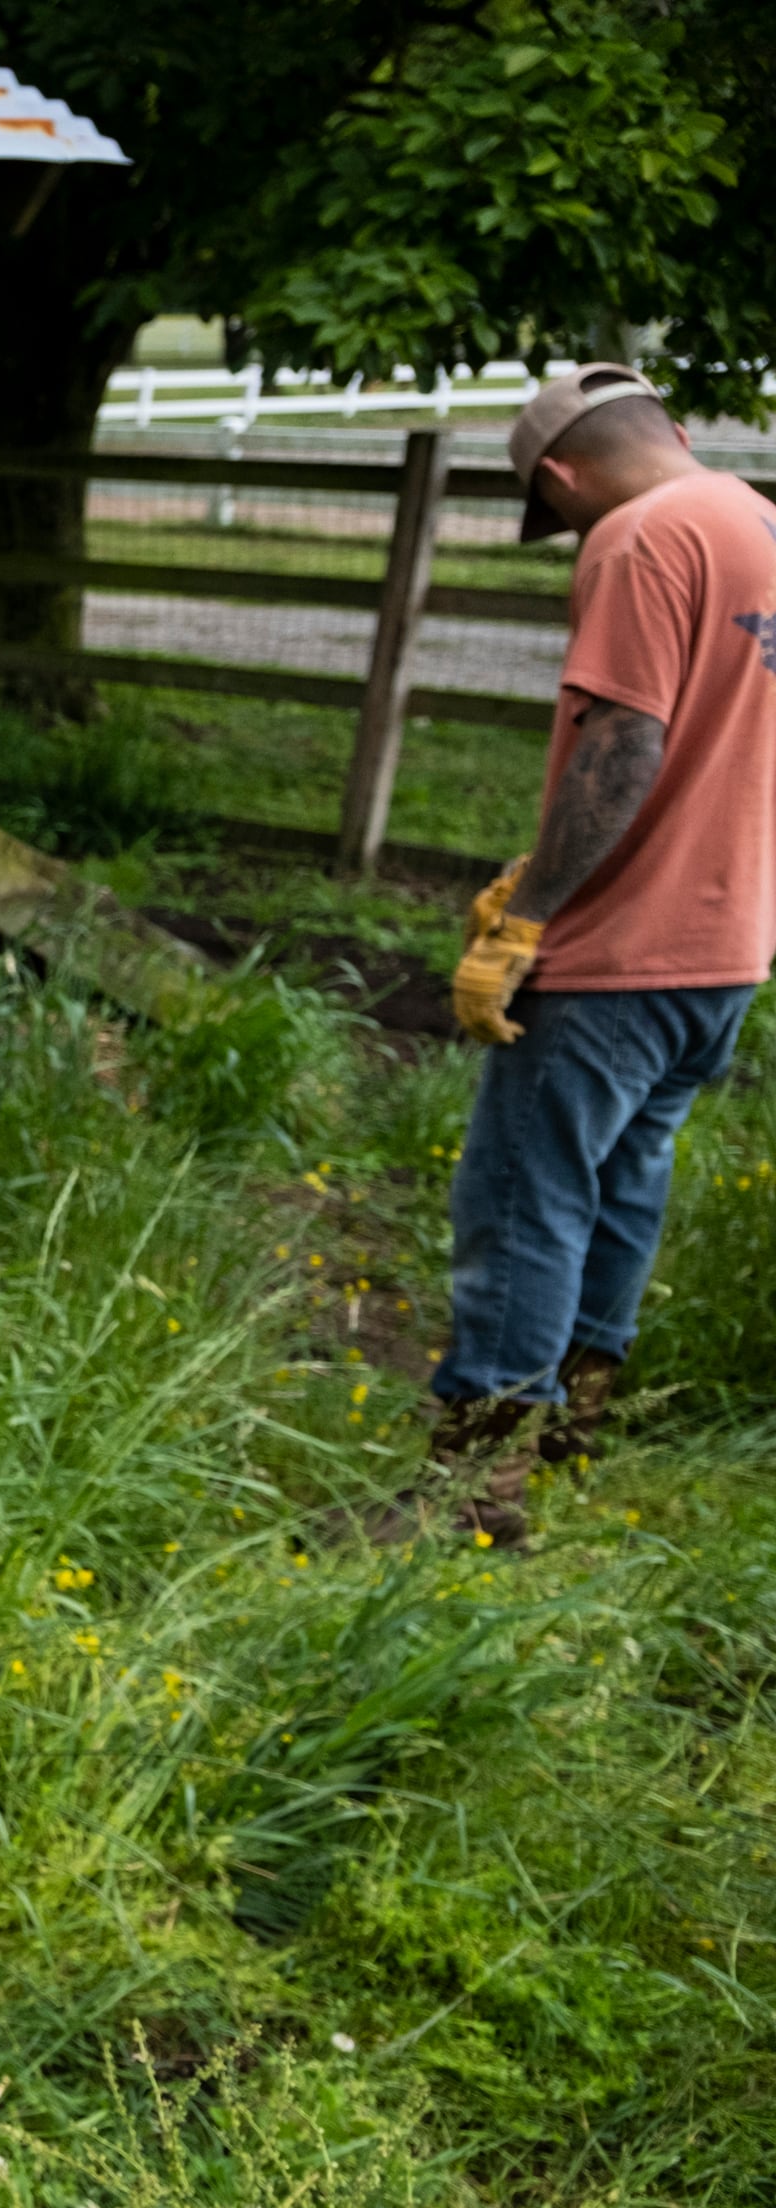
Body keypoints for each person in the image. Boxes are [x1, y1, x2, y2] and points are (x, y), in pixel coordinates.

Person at [418, 362, 776, 1539]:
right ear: (672, 427)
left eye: (552, 507)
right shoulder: (758, 523)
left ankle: (482, 1481)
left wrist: (535, 920)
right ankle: (574, 1422)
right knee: (625, 1184)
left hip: (619, 954)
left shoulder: (635, 538)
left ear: (562, 476)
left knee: (523, 1197)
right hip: (724, 947)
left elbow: (626, 744)